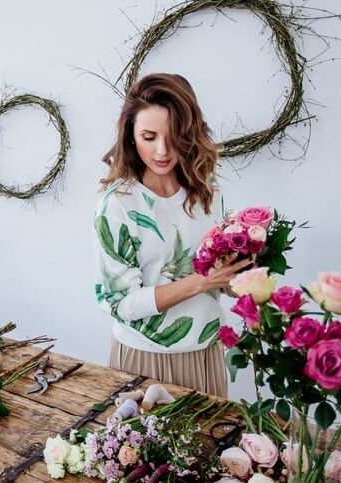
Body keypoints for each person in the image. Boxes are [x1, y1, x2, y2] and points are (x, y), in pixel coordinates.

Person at [94, 73, 251, 398]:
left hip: (204, 354)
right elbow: (120, 303)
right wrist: (200, 281)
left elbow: (221, 279)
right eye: (149, 137)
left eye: (174, 135)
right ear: (130, 137)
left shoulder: (208, 194)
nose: (162, 150)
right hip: (143, 359)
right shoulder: (119, 205)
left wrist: (243, 280)